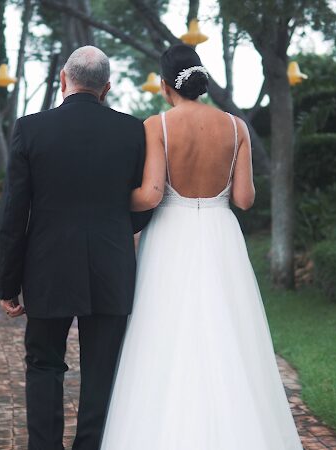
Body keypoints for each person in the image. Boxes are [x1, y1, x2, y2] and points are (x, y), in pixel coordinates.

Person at [101, 45, 304, 449]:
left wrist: (109, 199)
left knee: (162, 331)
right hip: (219, 232)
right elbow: (244, 199)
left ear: (164, 85)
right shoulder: (236, 127)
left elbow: (152, 194)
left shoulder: (156, 125)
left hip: (170, 236)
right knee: (228, 327)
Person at [0, 46, 149, 450]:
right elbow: (145, 201)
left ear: (63, 79)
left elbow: (14, 212)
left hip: (48, 267)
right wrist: (117, 229)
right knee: (102, 371)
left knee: (44, 364)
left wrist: (8, 284)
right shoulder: (134, 131)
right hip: (112, 266)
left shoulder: (29, 129)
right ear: (107, 88)